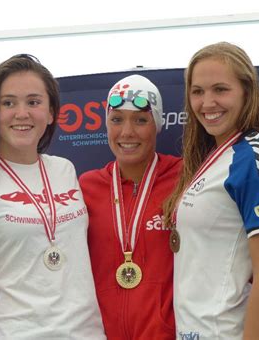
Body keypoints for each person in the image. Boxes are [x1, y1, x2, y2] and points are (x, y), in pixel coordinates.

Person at [0, 54, 105, 339]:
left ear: (51, 113)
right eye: (8, 102)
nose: (22, 113)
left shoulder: (64, 169)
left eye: (34, 102)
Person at [163, 42, 259, 340]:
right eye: (198, 91)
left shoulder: (258, 160)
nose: (207, 103)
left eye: (220, 89)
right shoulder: (219, 154)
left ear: (246, 92)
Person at [79, 74, 181, 339]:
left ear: (157, 124)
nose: (127, 132)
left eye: (140, 120)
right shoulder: (85, 188)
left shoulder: (185, 178)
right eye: (116, 120)